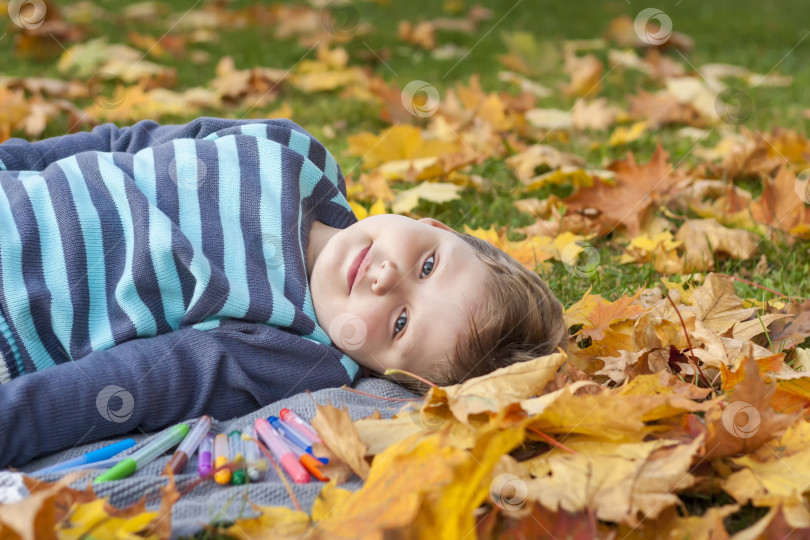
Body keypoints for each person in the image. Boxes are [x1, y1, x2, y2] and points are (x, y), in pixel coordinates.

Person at [0, 117, 567, 468]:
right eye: (427, 263)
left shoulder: (294, 352)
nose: (387, 278)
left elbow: (138, 380)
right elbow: (129, 144)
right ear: (436, 227)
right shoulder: (294, 152)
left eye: (399, 324)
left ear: (379, 374)